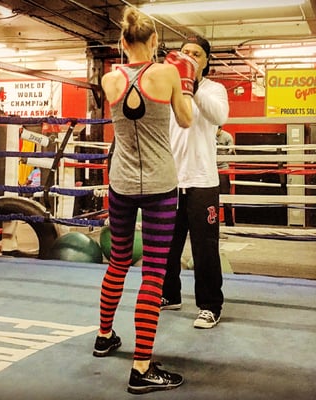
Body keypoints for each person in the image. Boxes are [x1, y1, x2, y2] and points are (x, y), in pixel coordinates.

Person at [92, 6, 197, 394]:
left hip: (120, 182)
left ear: (122, 43)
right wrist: (186, 83)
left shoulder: (109, 80)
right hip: (158, 184)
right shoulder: (168, 73)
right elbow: (185, 120)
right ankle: (141, 367)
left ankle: (104, 336)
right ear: (154, 41)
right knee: (153, 271)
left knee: (119, 260)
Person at [161, 35, 229, 329]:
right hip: (170, 181)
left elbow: (220, 116)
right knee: (167, 246)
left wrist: (193, 83)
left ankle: (210, 305)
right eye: (185, 53)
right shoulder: (168, 91)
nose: (189, 57)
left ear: (206, 61)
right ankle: (169, 295)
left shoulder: (215, 89)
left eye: (196, 54)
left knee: (205, 248)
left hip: (202, 182)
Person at [216, 126, 236, 226]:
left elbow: (231, 148)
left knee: (226, 196)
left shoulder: (227, 136)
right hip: (211, 169)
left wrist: (229, 150)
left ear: (220, 129)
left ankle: (229, 223)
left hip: (223, 168)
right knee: (212, 197)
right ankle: (213, 222)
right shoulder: (209, 135)